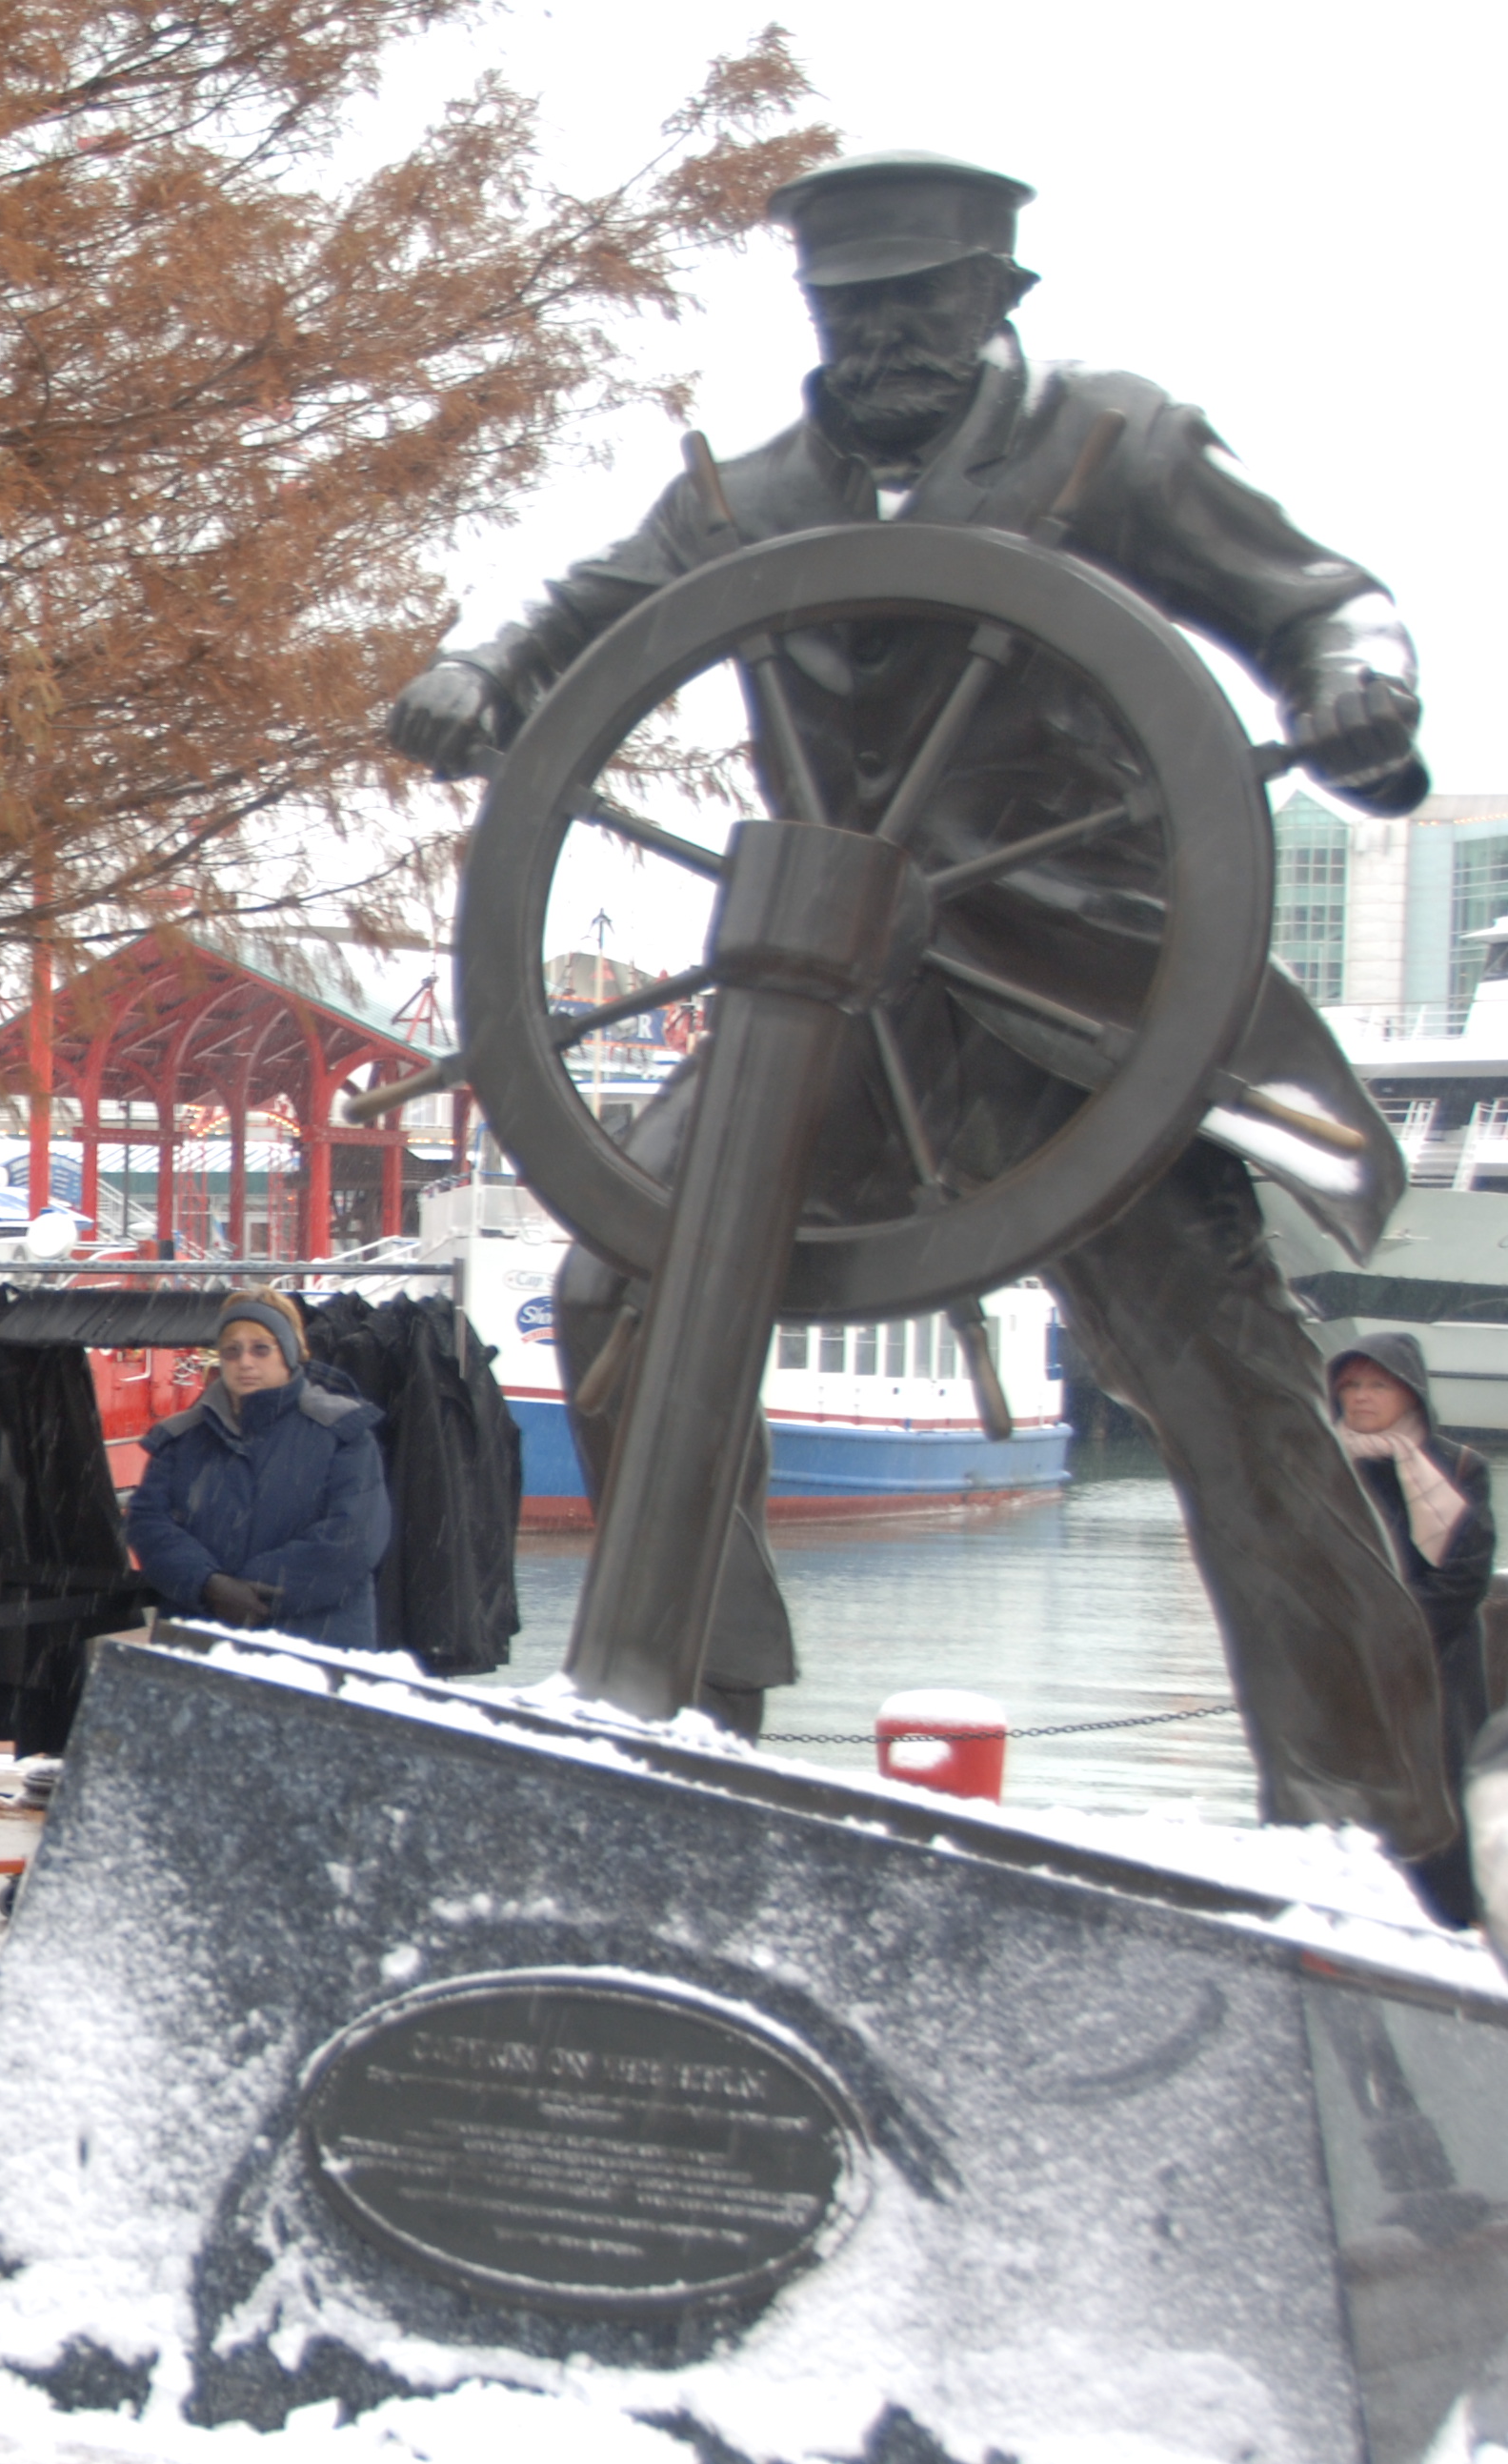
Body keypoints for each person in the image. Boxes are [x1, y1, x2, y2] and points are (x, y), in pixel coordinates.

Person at [388, 155, 1465, 1899]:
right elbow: (575, 618)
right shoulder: (745, 503)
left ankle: (1380, 1840)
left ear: (995, 299)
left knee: (1227, 1387)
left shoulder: (1113, 448)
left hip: (1081, 1007)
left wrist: (1357, 687)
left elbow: (1323, 601)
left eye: (922, 305)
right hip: (832, 1014)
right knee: (621, 1285)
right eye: (854, 310)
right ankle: (694, 1716)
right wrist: (480, 677)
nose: (886, 340)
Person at [123, 1291, 392, 1649]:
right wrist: (208, 1584)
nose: (245, 1362)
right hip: (201, 1644)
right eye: (231, 1351)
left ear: (289, 1353)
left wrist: (252, 1592)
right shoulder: (181, 1439)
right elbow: (148, 1523)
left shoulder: (342, 1433)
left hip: (315, 1645)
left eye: (261, 1349)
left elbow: (353, 1537)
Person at [1330, 1333, 1494, 1788]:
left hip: (1439, 1660)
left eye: (1378, 1385)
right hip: (1341, 1659)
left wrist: (1392, 1632)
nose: (1361, 1397)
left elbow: (1465, 1575)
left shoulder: (1460, 1467)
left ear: (1410, 1392)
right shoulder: (1320, 1466)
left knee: (1439, 1788)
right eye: (1350, 1385)